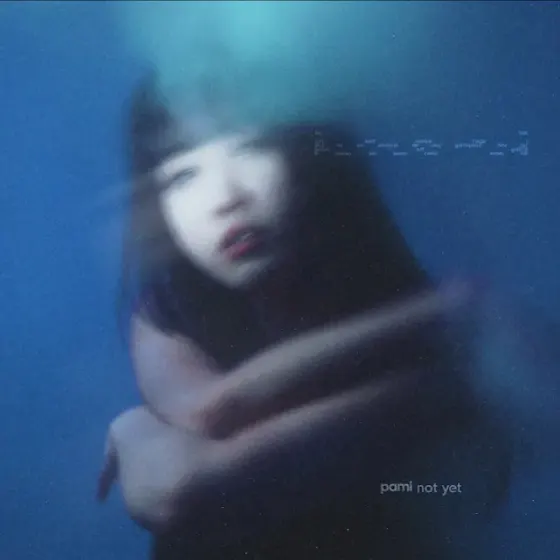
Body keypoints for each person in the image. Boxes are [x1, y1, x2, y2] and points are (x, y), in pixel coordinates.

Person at [97, 75, 514, 559]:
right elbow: (207, 411)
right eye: (182, 176)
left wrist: (136, 430)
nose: (225, 197)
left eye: (251, 147)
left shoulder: (392, 308)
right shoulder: (164, 312)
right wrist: (440, 312)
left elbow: (185, 481)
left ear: (305, 156)